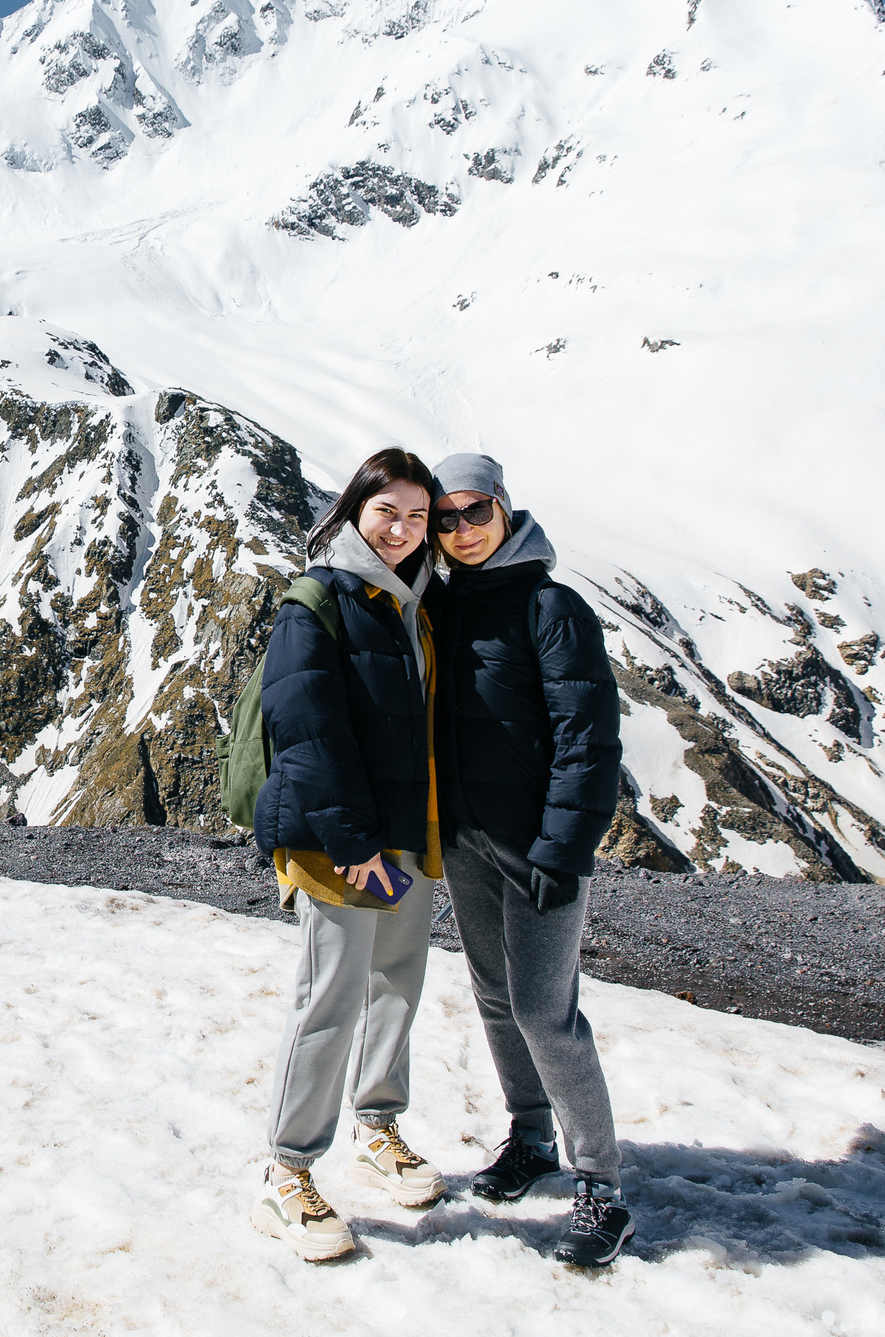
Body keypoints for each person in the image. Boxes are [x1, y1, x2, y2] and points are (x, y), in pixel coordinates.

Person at [425, 452, 634, 1268]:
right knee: (492, 992)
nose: (462, 529)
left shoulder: (553, 607)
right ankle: (531, 1134)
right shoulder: (443, 604)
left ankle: (602, 1185)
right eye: (447, 518)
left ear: (507, 512)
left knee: (547, 1010)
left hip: (540, 847)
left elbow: (590, 739)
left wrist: (564, 844)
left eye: (475, 512)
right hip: (468, 839)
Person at [247, 448, 448, 1261]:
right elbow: (305, 727)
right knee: (329, 996)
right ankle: (286, 1169)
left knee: (397, 981)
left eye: (417, 516)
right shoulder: (318, 600)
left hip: (404, 831)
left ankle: (378, 1124)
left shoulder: (413, 602)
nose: (402, 529)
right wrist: (353, 841)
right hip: (344, 838)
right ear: (354, 511)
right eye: (386, 512)